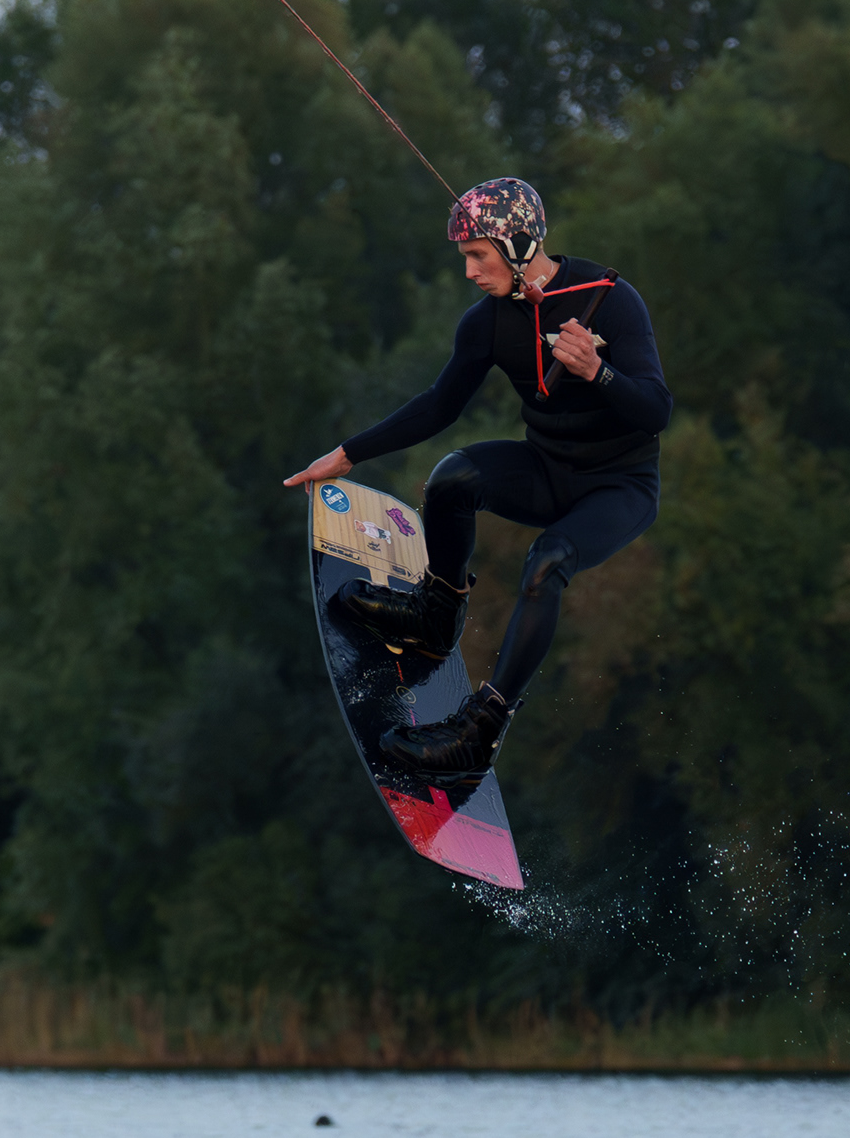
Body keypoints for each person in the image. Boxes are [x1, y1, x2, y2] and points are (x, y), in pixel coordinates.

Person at [282, 176, 670, 780]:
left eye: (477, 256)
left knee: (547, 562)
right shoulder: (487, 322)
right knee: (453, 478)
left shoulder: (612, 300)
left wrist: (599, 372)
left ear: (518, 245)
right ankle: (435, 617)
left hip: (619, 486)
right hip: (547, 470)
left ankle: (479, 733)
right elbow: (439, 406)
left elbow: (656, 411)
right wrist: (349, 453)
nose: (469, 272)